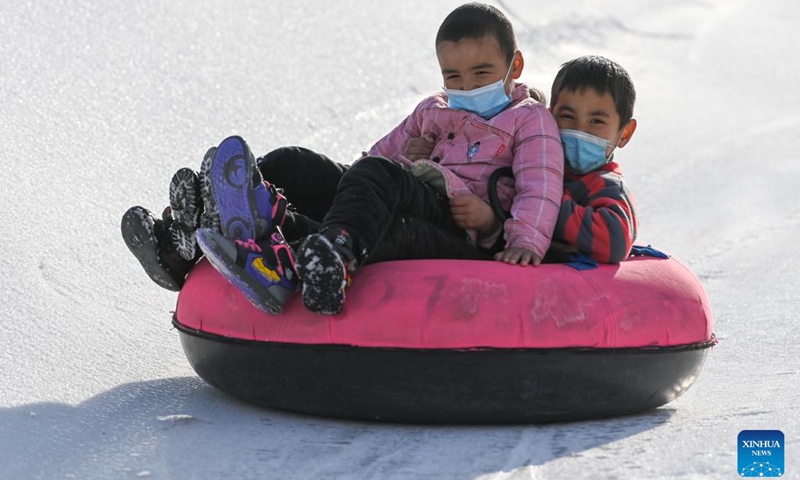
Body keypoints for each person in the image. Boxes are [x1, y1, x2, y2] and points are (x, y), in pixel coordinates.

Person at [195, 2, 564, 315]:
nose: (467, 87)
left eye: (481, 73)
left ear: (514, 67)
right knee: (295, 163)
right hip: (408, 191)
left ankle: (331, 262)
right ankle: (210, 218)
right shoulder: (433, 109)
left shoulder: (529, 120)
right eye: (454, 76)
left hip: (458, 226)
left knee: (381, 194)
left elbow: (540, 184)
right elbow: (375, 158)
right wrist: (401, 160)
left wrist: (520, 240)